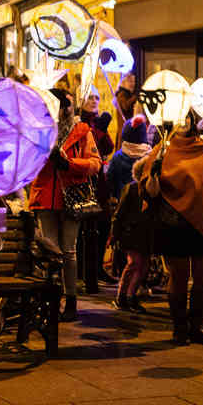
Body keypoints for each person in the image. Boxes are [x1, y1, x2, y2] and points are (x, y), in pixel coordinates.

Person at [137, 110, 203, 345]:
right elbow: (150, 192)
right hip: (174, 224)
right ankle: (179, 329)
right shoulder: (162, 150)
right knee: (179, 277)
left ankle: (196, 328)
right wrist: (155, 174)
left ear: (192, 121)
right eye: (179, 118)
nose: (184, 123)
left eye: (187, 118)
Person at [29, 88, 101, 322]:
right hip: (45, 198)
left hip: (72, 198)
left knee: (69, 251)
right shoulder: (38, 131)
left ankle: (70, 300)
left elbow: (95, 163)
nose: (66, 110)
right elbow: (26, 165)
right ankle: (49, 299)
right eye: (62, 105)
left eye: (68, 105)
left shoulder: (81, 131)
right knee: (50, 253)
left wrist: (69, 164)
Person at [107, 116, 153, 312]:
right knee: (135, 263)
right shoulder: (149, 159)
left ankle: (129, 294)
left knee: (139, 265)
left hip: (138, 229)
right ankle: (124, 296)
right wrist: (115, 234)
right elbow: (121, 215)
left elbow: (110, 180)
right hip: (132, 230)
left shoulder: (119, 157)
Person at [80, 86, 116, 284]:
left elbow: (107, 148)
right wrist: (99, 131)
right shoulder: (81, 122)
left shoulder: (96, 121)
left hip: (99, 181)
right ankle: (87, 270)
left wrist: (102, 129)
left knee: (103, 224)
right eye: (90, 97)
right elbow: (92, 145)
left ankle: (97, 267)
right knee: (87, 227)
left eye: (97, 97)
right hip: (85, 180)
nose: (94, 100)